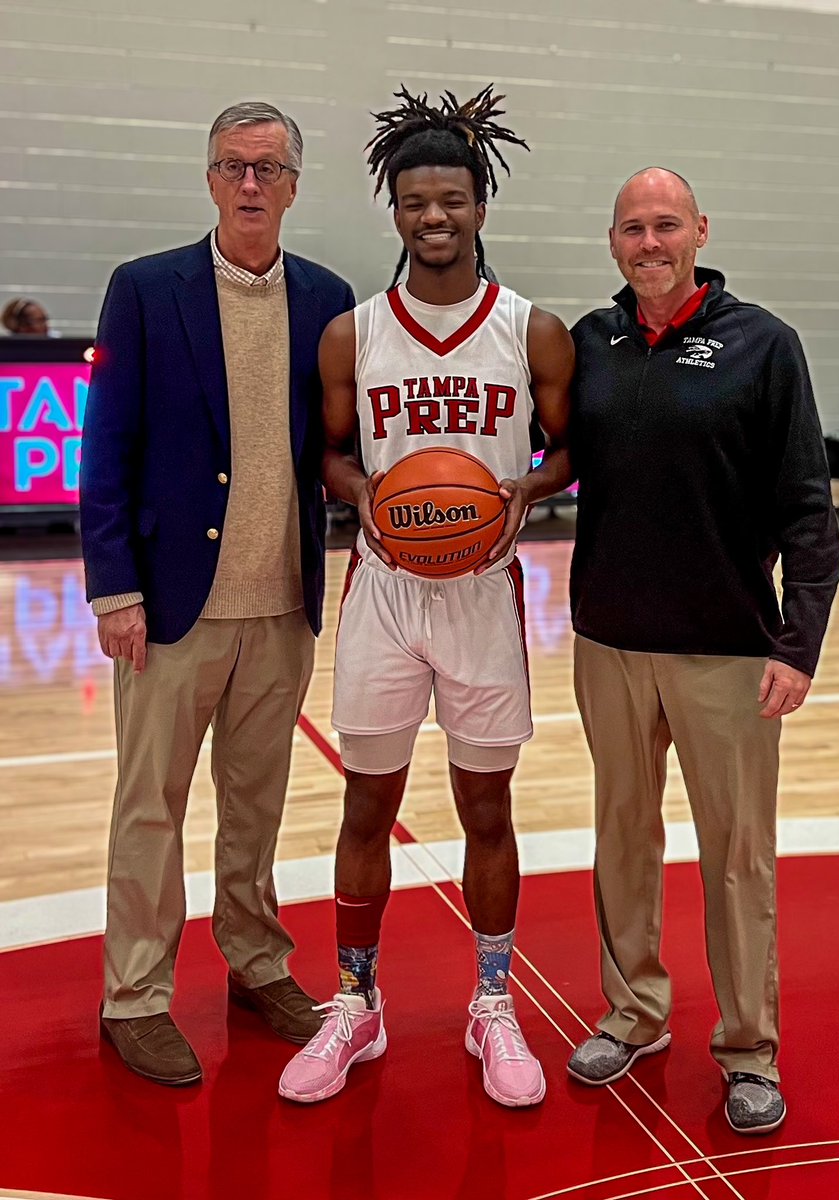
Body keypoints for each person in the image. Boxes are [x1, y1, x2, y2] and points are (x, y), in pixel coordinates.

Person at [278, 86, 574, 1108]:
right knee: (368, 801)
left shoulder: (533, 331)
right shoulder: (351, 336)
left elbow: (568, 445)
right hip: (386, 594)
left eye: (452, 201)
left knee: (486, 806)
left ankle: (494, 1004)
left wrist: (532, 487)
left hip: (484, 593)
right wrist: (367, 496)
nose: (434, 218)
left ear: (480, 208)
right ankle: (357, 1003)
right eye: (415, 204)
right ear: (394, 211)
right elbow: (325, 452)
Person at [79, 101, 355, 1086]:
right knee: (149, 807)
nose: (250, 184)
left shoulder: (329, 297)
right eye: (234, 167)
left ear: (291, 185)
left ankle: (256, 962)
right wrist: (114, 588)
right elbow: (104, 446)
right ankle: (136, 994)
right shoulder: (147, 290)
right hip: (170, 603)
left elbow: (340, 447)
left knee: (257, 804)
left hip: (279, 604)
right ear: (210, 180)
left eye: (268, 168)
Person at [566, 168, 839, 1135]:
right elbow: (545, 454)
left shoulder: (764, 345)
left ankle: (747, 1047)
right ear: (611, 244)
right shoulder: (586, 344)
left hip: (726, 648)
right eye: (632, 228)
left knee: (737, 861)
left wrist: (796, 642)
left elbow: (807, 503)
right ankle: (634, 1012)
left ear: (699, 233)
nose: (649, 242)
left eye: (666, 225)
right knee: (622, 844)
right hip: (607, 644)